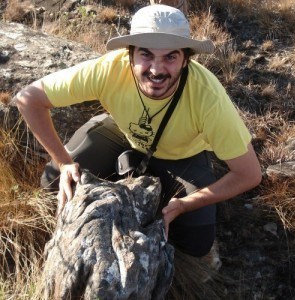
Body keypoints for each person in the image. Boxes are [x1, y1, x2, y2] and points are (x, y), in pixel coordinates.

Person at [15, 5, 262, 258]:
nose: (156, 70)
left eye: (170, 57)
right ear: (129, 54)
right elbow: (28, 99)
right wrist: (64, 163)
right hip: (121, 133)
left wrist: (184, 205)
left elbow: (249, 174)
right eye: (146, 54)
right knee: (54, 180)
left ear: (186, 59)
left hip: (183, 154)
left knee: (195, 243)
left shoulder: (208, 99)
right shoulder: (109, 70)